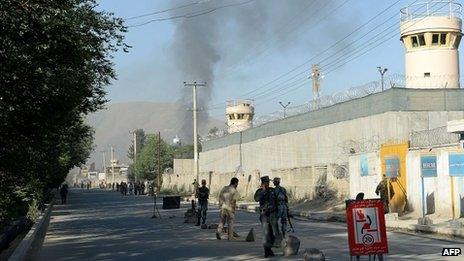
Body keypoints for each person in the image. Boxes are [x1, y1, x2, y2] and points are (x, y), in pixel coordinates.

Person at [255, 176, 276, 258]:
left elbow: (277, 200)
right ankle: (267, 251)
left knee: (272, 234)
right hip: (264, 215)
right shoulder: (259, 191)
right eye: (266, 182)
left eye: (268, 182)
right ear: (262, 183)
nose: (268, 183)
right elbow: (256, 199)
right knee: (266, 233)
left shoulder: (272, 190)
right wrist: (263, 191)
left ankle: (269, 248)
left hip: (272, 215)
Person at [272, 177, 288, 245]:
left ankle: (277, 237)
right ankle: (284, 235)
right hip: (284, 206)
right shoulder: (283, 189)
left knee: (275, 222)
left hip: (278, 207)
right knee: (284, 221)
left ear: (275, 182)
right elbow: (286, 199)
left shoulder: (274, 190)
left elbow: (273, 200)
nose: (273, 182)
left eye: (274, 181)